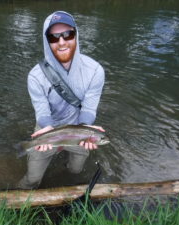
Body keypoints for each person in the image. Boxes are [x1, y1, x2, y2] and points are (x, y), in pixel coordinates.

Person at [18, 11, 105, 189]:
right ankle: (11, 201)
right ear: (46, 41)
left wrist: (86, 129)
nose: (62, 42)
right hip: (47, 129)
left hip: (78, 129)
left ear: (76, 35)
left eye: (68, 34)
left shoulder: (95, 71)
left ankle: (65, 178)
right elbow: (41, 110)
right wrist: (46, 130)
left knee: (75, 171)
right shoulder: (35, 76)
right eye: (54, 37)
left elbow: (89, 108)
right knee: (32, 180)